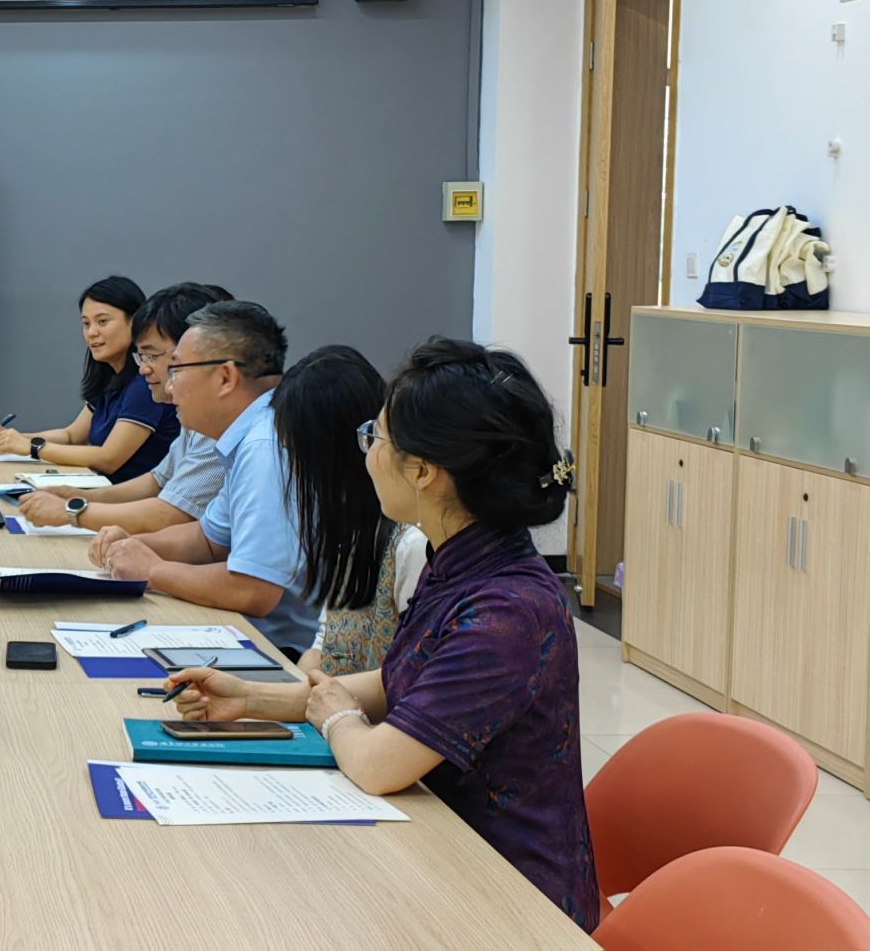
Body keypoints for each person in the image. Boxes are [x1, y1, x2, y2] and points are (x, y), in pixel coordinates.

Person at [169, 338, 596, 930]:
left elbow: (377, 764)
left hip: (508, 899)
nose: (367, 453)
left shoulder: (507, 610)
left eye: (377, 437)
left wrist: (338, 717)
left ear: (422, 472)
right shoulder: (465, 562)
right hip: (439, 849)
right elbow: (401, 683)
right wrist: (252, 699)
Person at [88, 301, 317, 657]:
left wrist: (154, 569)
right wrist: (132, 543)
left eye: (177, 369)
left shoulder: (265, 446)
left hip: (278, 652)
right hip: (239, 630)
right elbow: (208, 540)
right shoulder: (249, 434)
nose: (169, 386)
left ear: (225, 378)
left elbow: (254, 591)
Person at [18, 282, 231, 533]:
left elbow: (172, 514)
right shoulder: (192, 417)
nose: (144, 368)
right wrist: (80, 496)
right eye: (86, 324)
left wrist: (73, 511)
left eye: (102, 321)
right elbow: (157, 481)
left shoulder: (222, 427)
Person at [269, 345, 427, 676]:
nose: (293, 468)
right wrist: (298, 686)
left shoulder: (413, 543)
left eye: (296, 452)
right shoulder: (352, 526)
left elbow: (410, 678)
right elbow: (328, 643)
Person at [0, 275, 180, 483]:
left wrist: (31, 447)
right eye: (86, 323)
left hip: (130, 497)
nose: (91, 333)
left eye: (102, 322)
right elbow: (72, 436)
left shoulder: (145, 382)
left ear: (134, 322)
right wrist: (12, 439)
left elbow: (109, 459)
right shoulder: (110, 376)